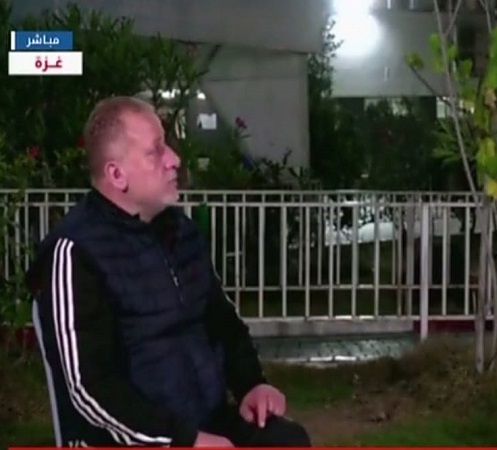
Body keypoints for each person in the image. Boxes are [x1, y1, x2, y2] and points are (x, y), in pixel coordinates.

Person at [25, 96, 311, 447]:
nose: (174, 159)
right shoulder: (75, 252)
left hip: (204, 422)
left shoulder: (179, 231)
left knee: (286, 440)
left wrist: (252, 384)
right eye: (156, 151)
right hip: (126, 440)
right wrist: (184, 440)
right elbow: (90, 388)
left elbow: (222, 322)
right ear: (117, 174)